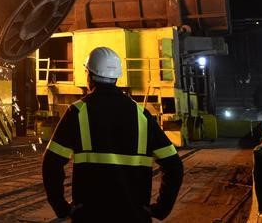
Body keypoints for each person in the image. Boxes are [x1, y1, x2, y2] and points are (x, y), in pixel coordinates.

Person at [42, 47, 184, 221]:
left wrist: (62, 208)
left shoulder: (77, 112)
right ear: (116, 77)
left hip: (89, 217)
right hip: (134, 217)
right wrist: (161, 209)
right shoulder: (141, 114)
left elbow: (51, 164)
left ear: (89, 76)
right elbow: (174, 166)